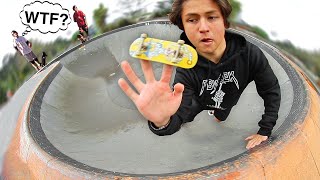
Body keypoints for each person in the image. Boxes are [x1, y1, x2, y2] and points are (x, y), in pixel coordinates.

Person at [118, 0, 281, 150]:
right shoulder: (185, 67)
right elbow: (179, 115)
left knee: (220, 116)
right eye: (192, 20)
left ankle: (216, 114)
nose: (203, 28)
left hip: (226, 99)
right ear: (182, 25)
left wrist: (264, 131)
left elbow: (271, 90)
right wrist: (161, 121)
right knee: (187, 117)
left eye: (211, 17)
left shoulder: (249, 55)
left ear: (224, 21)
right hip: (197, 99)